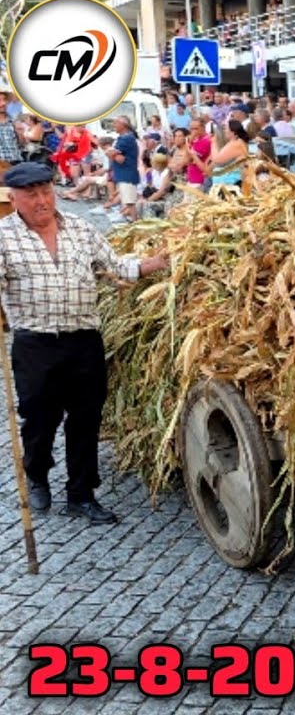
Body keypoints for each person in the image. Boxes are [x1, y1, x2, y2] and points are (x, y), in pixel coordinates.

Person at [0, 163, 168, 523]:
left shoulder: (80, 228)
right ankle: (37, 474)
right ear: (13, 198)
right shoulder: (3, 237)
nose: (42, 201)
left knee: (86, 419)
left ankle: (81, 493)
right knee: (39, 420)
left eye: (46, 192)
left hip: (83, 341)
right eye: (31, 195)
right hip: (35, 345)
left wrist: (155, 263)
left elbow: (116, 267)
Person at [106, 116, 140, 221]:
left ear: (123, 125)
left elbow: (114, 155)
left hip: (127, 173)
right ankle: (129, 219)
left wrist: (113, 154)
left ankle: (135, 222)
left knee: (130, 201)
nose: (114, 125)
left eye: (116, 123)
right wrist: (114, 155)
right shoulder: (123, 138)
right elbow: (112, 154)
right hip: (123, 172)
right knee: (127, 199)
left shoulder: (127, 138)